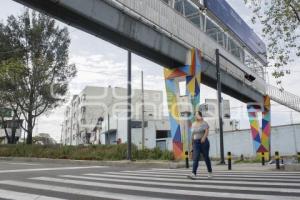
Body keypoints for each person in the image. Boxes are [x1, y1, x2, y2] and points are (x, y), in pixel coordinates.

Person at [187, 111, 212, 179]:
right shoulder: (193, 124)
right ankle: (193, 173)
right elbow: (192, 134)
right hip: (196, 143)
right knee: (196, 158)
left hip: (204, 142)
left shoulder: (204, 123)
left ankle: (210, 172)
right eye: (195, 115)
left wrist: (203, 138)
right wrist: (192, 145)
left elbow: (206, 131)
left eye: (197, 114)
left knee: (206, 157)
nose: (196, 116)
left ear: (200, 115)